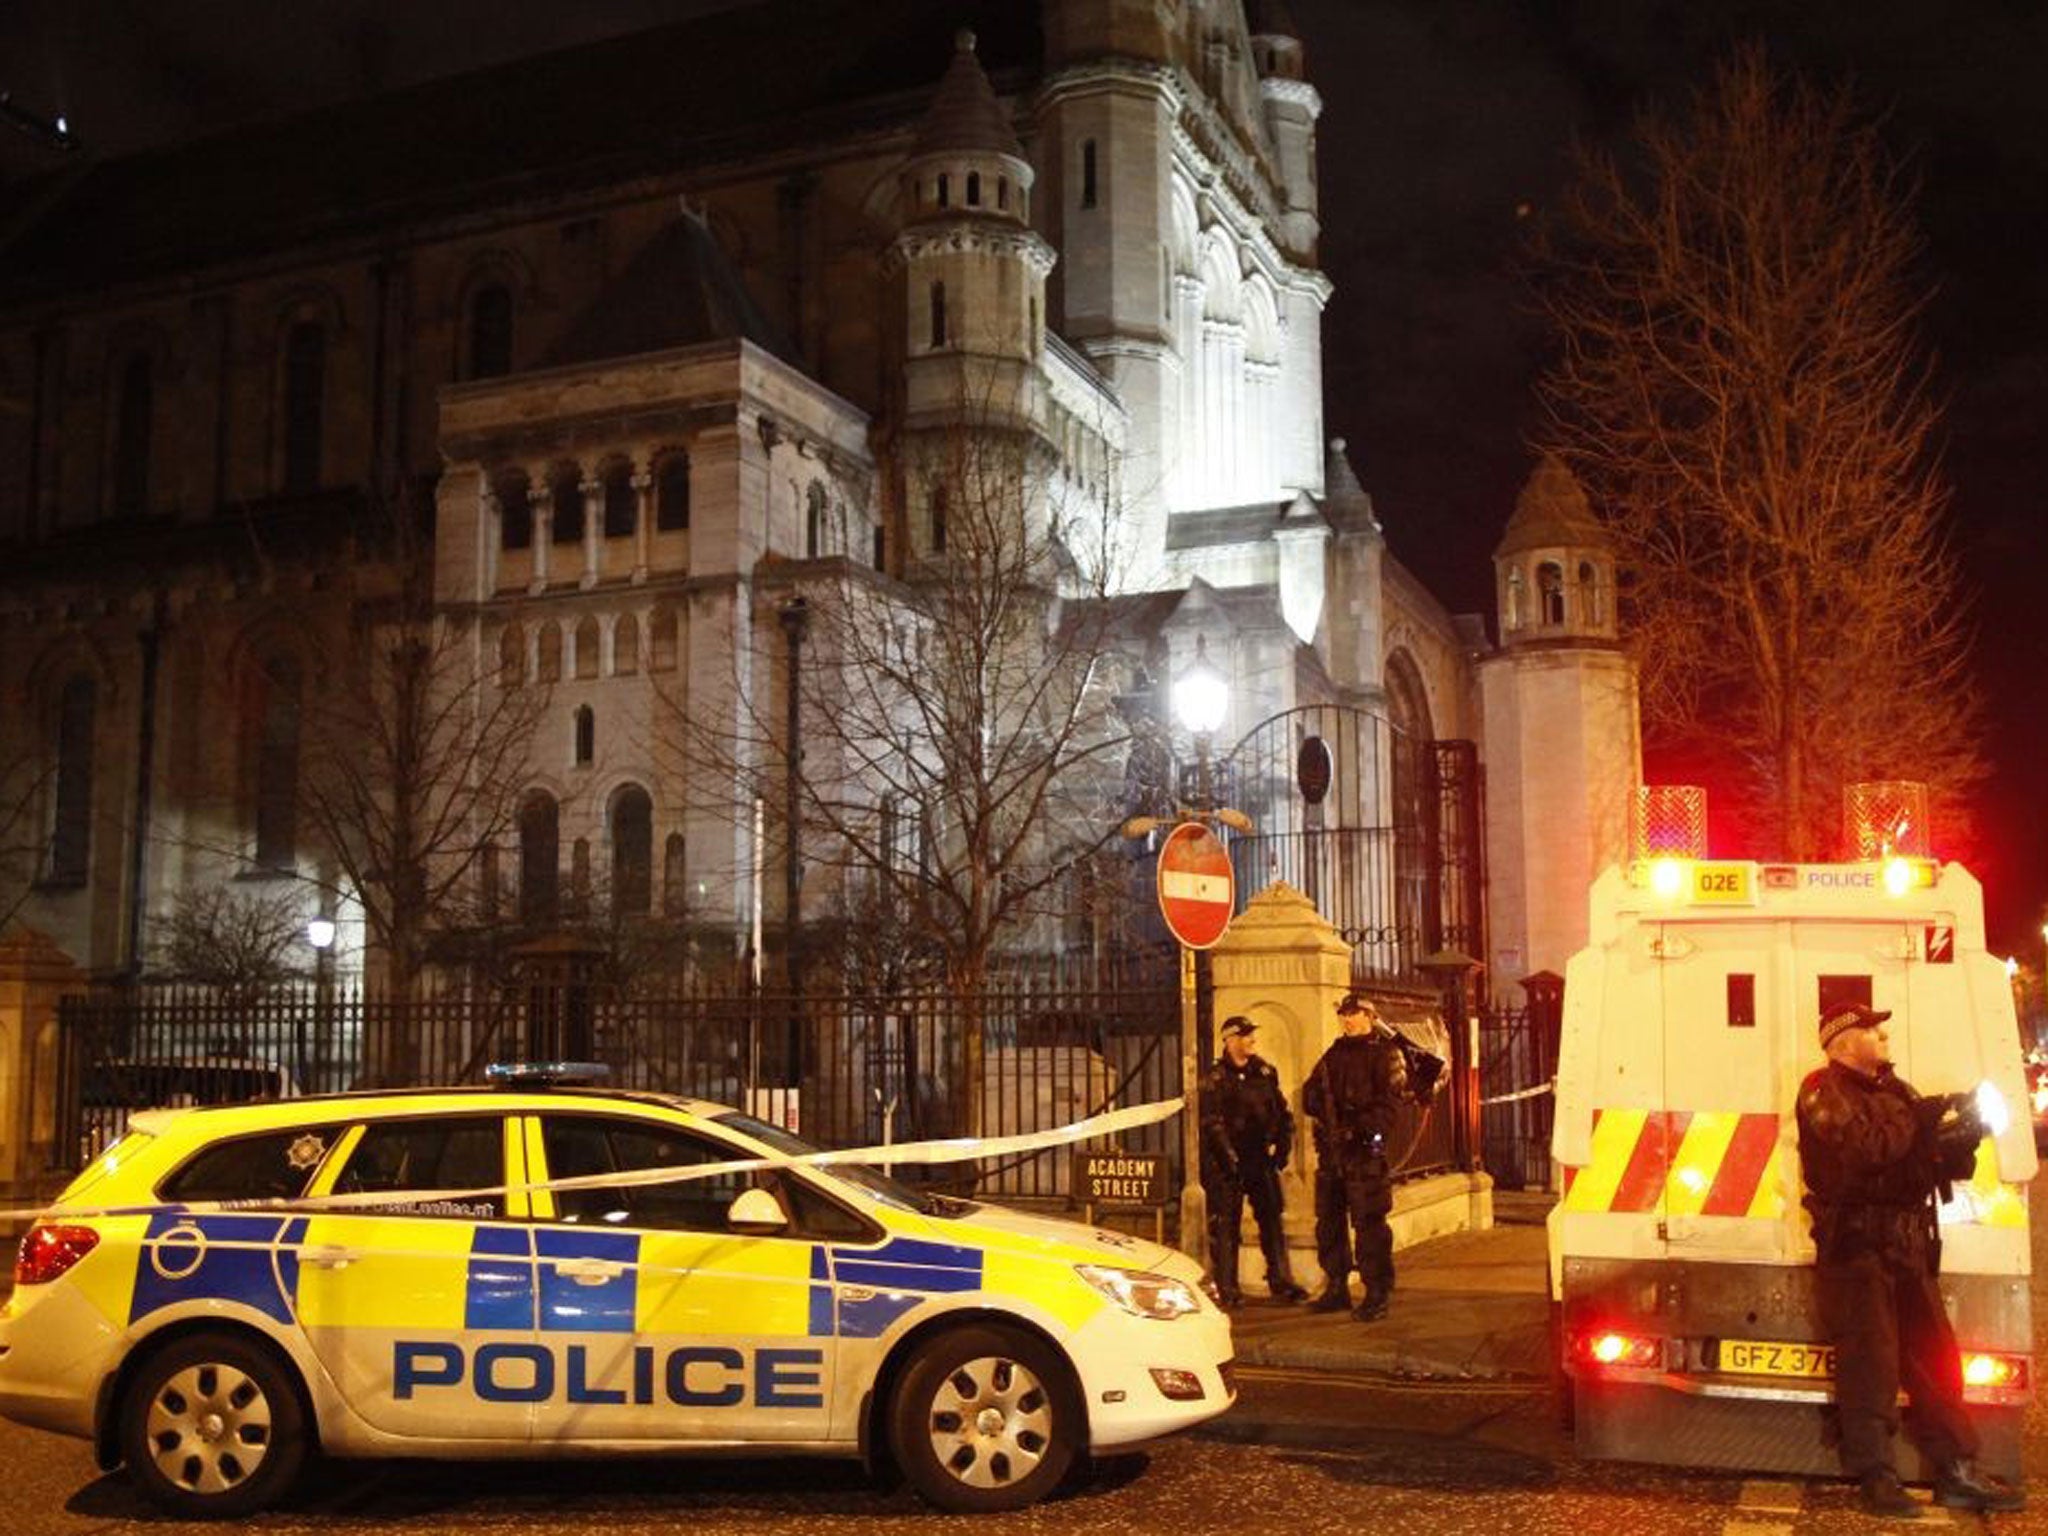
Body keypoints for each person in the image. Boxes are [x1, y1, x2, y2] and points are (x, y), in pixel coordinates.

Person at [1795, 1001, 2025, 1518]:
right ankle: (1876, 1477)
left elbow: (1920, 1156)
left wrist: (1960, 1133)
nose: (1883, 1035)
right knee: (1870, 1366)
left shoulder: (1894, 1091)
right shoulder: (1821, 1089)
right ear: (1842, 1040)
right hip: (1855, 1250)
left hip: (1904, 1246)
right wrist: (1920, 1121)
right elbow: (1868, 1150)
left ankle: (1957, 1471)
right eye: (1872, 1028)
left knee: (1936, 1359)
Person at [1301, 991, 1431, 1321]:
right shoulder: (1333, 1053)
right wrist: (1323, 1110)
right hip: (1332, 1154)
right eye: (1344, 1014)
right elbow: (1310, 1093)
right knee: (1329, 1223)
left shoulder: (1385, 1054)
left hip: (1363, 1154)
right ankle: (1336, 1287)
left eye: (1354, 1014)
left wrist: (1356, 1128)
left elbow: (1388, 1108)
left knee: (1370, 1225)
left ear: (1369, 1017)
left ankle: (1377, 1292)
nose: (1347, 1019)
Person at [1200, 1016, 1308, 1308]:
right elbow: (1211, 1122)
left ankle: (1280, 1281)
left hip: (1259, 1157)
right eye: (1245, 1035)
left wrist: (1283, 1144)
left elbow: (1282, 1112)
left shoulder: (1264, 1071)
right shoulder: (1215, 1078)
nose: (1251, 1040)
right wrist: (1228, 1157)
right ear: (1230, 1040)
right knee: (1226, 1225)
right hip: (1227, 1163)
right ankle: (1227, 1288)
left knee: (1271, 1219)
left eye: (1251, 1035)